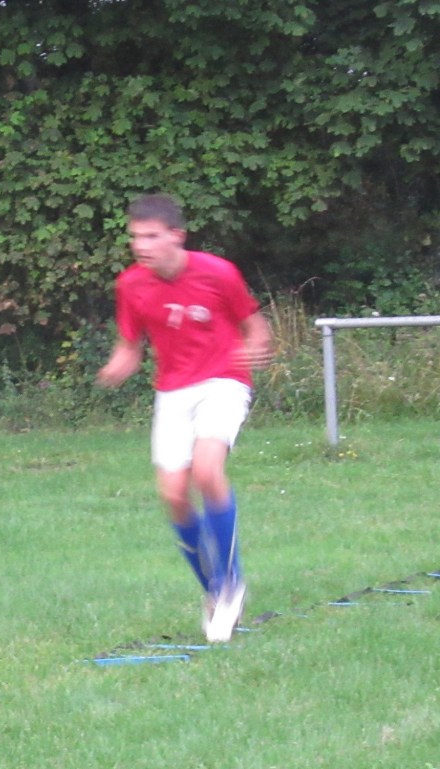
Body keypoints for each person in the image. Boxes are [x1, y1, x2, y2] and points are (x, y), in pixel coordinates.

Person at [96, 194, 273, 642]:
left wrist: (256, 345)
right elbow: (130, 344)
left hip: (223, 381)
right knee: (174, 494)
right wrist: (120, 363)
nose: (141, 245)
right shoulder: (130, 285)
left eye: (151, 236)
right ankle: (214, 589)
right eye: (136, 237)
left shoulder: (218, 272)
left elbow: (254, 325)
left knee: (208, 471)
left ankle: (231, 583)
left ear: (177, 235)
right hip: (172, 392)